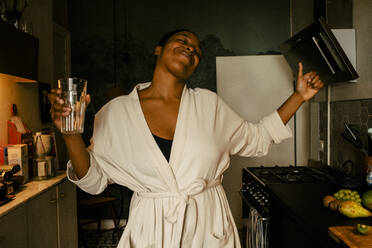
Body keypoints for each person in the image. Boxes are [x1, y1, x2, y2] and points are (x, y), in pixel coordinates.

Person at [48, 29, 324, 248]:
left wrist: (299, 96)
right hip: (151, 231)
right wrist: (71, 134)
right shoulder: (116, 113)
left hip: (207, 227)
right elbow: (94, 181)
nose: (191, 48)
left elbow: (259, 137)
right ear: (158, 50)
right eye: (182, 40)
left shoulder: (209, 105)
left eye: (197, 50)